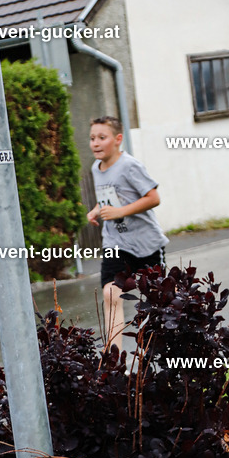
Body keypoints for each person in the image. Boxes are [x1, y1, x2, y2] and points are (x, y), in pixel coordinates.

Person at [87, 116, 168, 347]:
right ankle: (114, 361)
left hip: (145, 244)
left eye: (102, 137)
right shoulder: (96, 168)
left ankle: (160, 353)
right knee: (110, 294)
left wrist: (120, 211)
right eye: (92, 138)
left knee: (157, 300)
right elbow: (109, 198)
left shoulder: (129, 166)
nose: (96, 143)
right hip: (115, 242)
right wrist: (96, 211)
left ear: (117, 139)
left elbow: (153, 198)